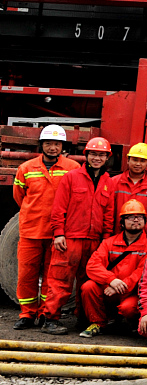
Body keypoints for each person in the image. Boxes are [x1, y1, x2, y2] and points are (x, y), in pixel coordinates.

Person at [43, 136, 114, 335]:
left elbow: (108, 213)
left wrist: (106, 240)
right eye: (93, 154)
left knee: (87, 282)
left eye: (101, 155)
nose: (97, 158)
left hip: (94, 241)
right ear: (87, 156)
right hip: (70, 239)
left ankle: (83, 319)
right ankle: (50, 319)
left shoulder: (108, 182)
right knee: (60, 280)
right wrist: (58, 233)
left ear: (107, 157)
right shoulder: (71, 177)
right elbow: (58, 208)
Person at [13, 125, 80, 329]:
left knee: (53, 276)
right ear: (41, 145)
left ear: (63, 146)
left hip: (57, 234)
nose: (52, 147)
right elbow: (19, 196)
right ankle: (26, 314)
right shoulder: (26, 168)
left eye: (57, 144)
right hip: (30, 231)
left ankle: (45, 313)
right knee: (26, 274)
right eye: (48, 143)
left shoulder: (72, 168)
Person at [78, 201, 147, 338]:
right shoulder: (109, 242)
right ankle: (97, 323)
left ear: (145, 221)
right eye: (130, 217)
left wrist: (121, 285)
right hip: (110, 287)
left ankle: (131, 323)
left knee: (129, 308)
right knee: (88, 287)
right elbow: (92, 265)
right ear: (122, 221)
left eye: (139, 217)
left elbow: (143, 271)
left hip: (133, 291)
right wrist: (111, 280)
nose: (135, 220)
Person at [102, 143, 147, 238]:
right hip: (115, 238)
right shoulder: (113, 182)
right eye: (135, 160)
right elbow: (107, 213)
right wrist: (106, 235)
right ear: (128, 160)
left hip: (144, 241)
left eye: (142, 161)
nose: (138, 164)